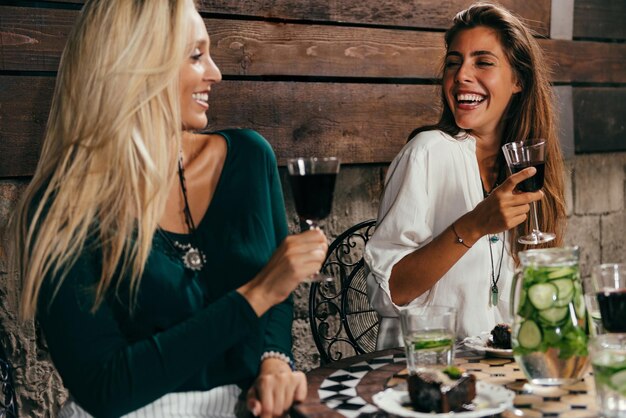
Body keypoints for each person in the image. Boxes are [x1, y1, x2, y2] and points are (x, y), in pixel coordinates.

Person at [10, 1, 328, 417]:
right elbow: (104, 389)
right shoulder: (57, 208)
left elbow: (278, 299)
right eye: (196, 56)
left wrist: (273, 362)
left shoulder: (249, 159)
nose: (215, 72)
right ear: (136, 68)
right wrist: (257, 293)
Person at [364, 2, 566, 348]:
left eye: (483, 62)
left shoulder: (530, 166)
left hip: (500, 373)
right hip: (424, 373)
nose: (461, 76)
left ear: (518, 79)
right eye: (454, 62)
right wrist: (473, 226)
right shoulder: (428, 152)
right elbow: (390, 290)